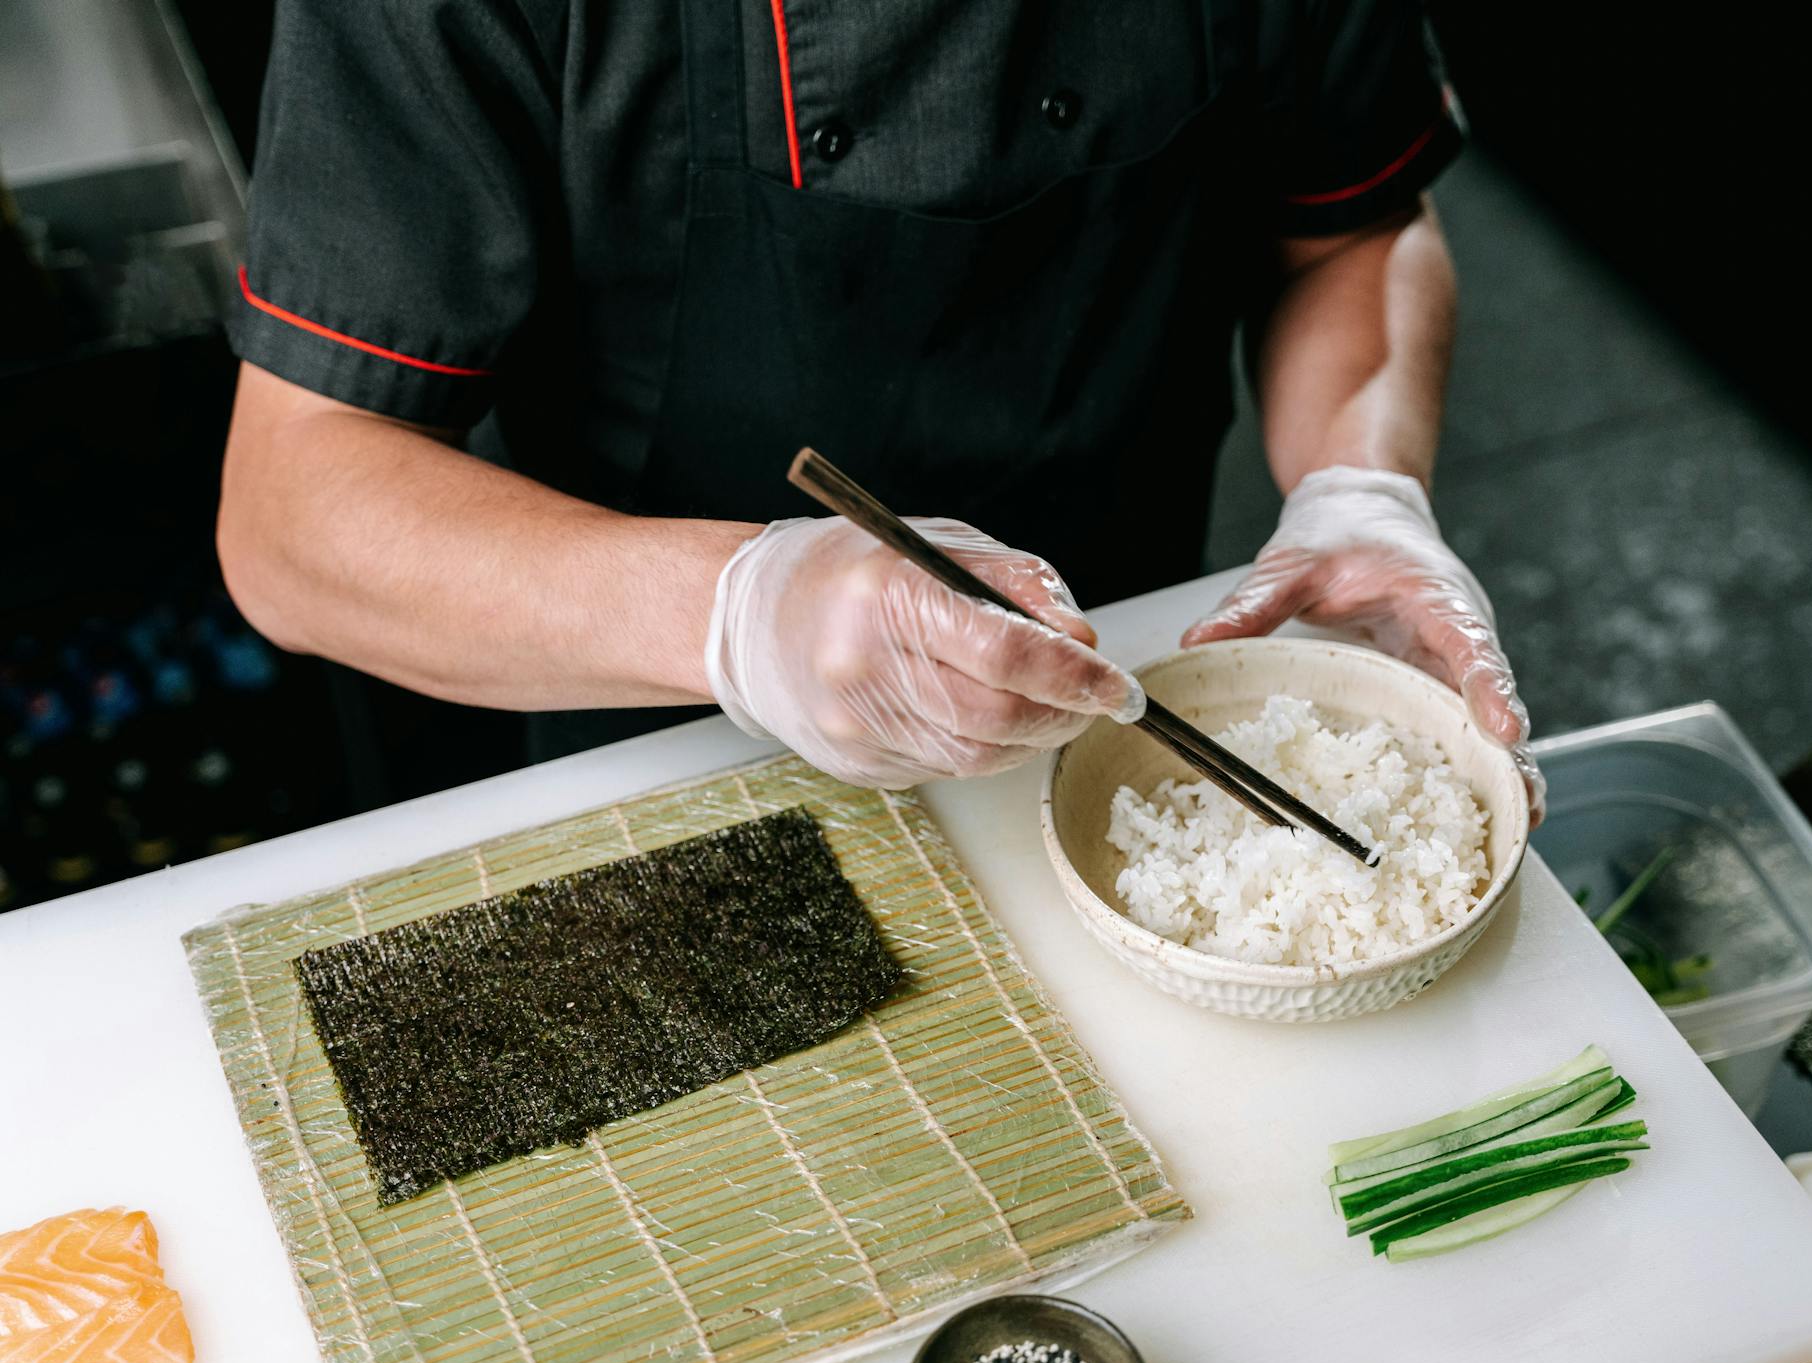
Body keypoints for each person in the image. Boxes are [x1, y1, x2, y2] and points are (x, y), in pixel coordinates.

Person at [218, 0, 1542, 814]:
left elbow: (1353, 226)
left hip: (1134, 701)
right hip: (670, 739)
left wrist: (1358, 484)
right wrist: (748, 613)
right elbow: (296, 510)